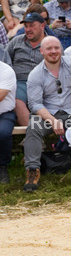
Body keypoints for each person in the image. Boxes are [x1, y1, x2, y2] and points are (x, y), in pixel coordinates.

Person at [23, 36, 71, 192]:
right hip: (47, 114)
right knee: (33, 128)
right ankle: (32, 171)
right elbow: (35, 104)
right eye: (49, 49)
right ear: (41, 51)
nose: (53, 52)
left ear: (61, 49)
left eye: (56, 48)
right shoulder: (35, 74)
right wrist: (52, 120)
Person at [6, 10, 45, 125]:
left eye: (32, 26)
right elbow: (6, 62)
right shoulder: (16, 41)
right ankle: (33, 135)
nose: (28, 29)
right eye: (26, 26)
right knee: (16, 100)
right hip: (20, 82)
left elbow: (62, 66)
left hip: (43, 82)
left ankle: (34, 136)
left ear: (42, 26)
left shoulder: (50, 43)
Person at [0, 54, 14, 183]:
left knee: (3, 133)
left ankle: (2, 166)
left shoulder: (6, 71)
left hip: (4, 113)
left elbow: (0, 96)